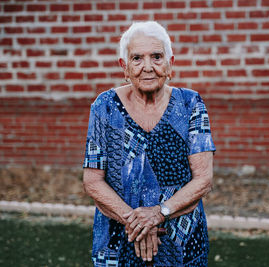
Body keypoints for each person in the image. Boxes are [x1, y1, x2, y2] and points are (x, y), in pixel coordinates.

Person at [82, 21, 216, 266]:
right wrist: (138, 222)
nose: (147, 67)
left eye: (156, 57)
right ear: (124, 67)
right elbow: (92, 180)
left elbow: (203, 179)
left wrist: (158, 213)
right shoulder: (105, 106)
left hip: (180, 238)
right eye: (137, 58)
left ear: (170, 63)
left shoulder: (190, 104)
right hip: (118, 238)